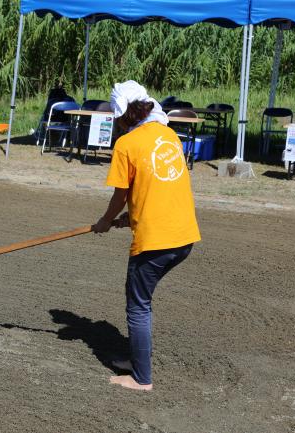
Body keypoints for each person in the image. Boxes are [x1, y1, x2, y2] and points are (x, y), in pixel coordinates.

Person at [93, 80, 201, 391]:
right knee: (142, 300)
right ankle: (138, 360)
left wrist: (105, 221)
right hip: (184, 235)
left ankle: (142, 378)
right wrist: (131, 218)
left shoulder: (127, 145)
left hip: (156, 241)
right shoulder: (167, 135)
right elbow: (157, 187)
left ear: (123, 114)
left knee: (138, 303)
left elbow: (120, 194)